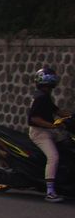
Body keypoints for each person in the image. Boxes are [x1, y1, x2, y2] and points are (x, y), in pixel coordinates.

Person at [27, 66, 70, 203]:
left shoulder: (44, 96)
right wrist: (52, 125)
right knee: (54, 157)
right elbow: (34, 119)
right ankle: (50, 192)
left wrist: (71, 116)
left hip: (49, 131)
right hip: (40, 133)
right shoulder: (40, 97)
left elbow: (58, 111)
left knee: (67, 145)